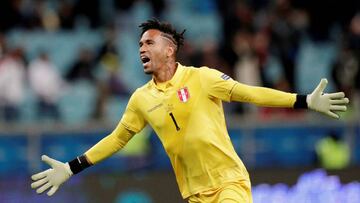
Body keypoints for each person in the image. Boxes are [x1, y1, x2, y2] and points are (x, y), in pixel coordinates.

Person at [30, 19, 349, 202]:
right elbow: (116, 139)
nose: (141, 47)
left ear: (169, 50)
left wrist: (303, 100)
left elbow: (250, 94)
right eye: (139, 44)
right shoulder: (141, 99)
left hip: (229, 183)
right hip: (194, 194)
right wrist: (71, 168)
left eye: (149, 42)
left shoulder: (202, 78)